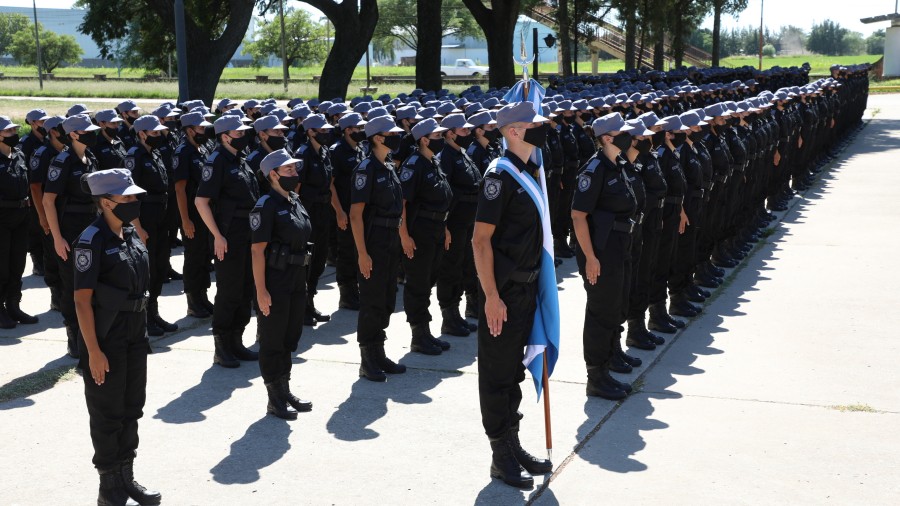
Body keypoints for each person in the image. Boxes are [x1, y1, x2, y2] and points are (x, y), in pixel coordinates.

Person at [472, 102, 553, 489]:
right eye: (534, 125)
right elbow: (480, 240)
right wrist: (490, 296)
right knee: (498, 373)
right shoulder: (499, 177)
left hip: (526, 289)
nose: (542, 129)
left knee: (514, 372)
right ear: (514, 132)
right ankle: (499, 455)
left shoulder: (531, 171)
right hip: (502, 293)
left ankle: (513, 443)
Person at [73, 168, 160, 506]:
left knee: (132, 408)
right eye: (126, 197)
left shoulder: (130, 233)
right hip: (106, 338)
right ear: (106, 202)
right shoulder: (91, 240)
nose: (134, 201)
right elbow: (81, 301)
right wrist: (93, 351)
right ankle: (109, 487)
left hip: (135, 335)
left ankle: (127, 477)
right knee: (107, 413)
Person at [570, 113, 638, 400]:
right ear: (607, 138)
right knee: (600, 311)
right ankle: (595, 376)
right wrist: (590, 257)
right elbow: (578, 215)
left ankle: (610, 359)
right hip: (600, 250)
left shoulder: (616, 165)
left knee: (615, 305)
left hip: (618, 245)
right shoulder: (594, 169)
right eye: (620, 132)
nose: (627, 135)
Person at [250, 149, 314, 420]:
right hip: (275, 282)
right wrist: (261, 291)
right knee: (273, 340)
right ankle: (274, 398)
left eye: (294, 169)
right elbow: (257, 252)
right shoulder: (266, 205)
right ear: (273, 175)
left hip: (297, 279)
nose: (294, 174)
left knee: (290, 338)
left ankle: (284, 388)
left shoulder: (294, 200)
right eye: (288, 170)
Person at [195, 115, 261, 368]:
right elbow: (201, 202)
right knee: (230, 290)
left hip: (248, 232)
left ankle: (236, 341)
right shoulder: (217, 161)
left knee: (245, 289)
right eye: (238, 132)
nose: (244, 135)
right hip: (229, 235)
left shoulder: (240, 159)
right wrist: (217, 236)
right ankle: (222, 347)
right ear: (224, 136)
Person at [349, 115, 407, 382]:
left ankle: (379, 351)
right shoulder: (366, 169)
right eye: (390, 133)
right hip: (374, 240)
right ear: (377, 138)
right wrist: (362, 253)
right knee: (372, 300)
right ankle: (366, 359)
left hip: (391, 239)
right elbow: (355, 215)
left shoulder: (388, 166)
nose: (396, 136)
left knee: (386, 298)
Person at [43, 114, 102, 358]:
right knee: (73, 286)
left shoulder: (91, 158)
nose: (92, 133)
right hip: (69, 232)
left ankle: (91, 334)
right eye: (86, 131)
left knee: (93, 284)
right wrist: (57, 238)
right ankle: (73, 336)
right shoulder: (63, 161)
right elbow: (48, 201)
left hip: (92, 228)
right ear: (74, 134)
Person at [398, 118, 453, 356]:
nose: (441, 140)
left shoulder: (433, 162)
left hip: (437, 228)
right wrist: (404, 236)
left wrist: (445, 227)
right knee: (418, 284)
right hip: (419, 231)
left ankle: (426, 332)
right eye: (437, 137)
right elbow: (401, 203)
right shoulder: (414, 164)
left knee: (429, 280)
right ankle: (418, 335)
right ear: (423, 139)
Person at [125, 115, 179, 336]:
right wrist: (137, 226)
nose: (159, 136)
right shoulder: (134, 156)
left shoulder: (154, 153)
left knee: (158, 269)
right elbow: (129, 196)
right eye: (155, 133)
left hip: (161, 218)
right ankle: (144, 318)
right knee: (147, 272)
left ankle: (154, 313)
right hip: (145, 219)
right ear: (142, 134)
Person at [436, 113, 481, 337]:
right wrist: (444, 226)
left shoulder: (461, 153)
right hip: (453, 223)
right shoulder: (445, 156)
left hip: (467, 222)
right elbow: (445, 195)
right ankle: (448, 316)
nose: (468, 134)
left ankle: (458, 315)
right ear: (450, 134)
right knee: (450, 269)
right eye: (463, 131)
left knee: (465, 266)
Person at [294, 114, 337, 326]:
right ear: (310, 132)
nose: (326, 134)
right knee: (306, 263)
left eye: (328, 131)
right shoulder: (302, 155)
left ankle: (309, 302)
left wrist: (338, 211)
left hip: (323, 212)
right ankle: (301, 308)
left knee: (319, 261)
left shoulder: (324, 152)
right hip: (308, 214)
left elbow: (330, 185)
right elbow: (295, 190)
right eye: (322, 131)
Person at [173, 111, 215, 319]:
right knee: (194, 257)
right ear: (189, 130)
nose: (204, 130)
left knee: (205, 256)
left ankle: (203, 296)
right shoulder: (183, 152)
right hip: (192, 214)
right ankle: (193, 300)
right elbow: (180, 189)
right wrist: (185, 220)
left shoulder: (203, 149)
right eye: (200, 128)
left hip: (205, 213)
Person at [0, 116, 38, 328]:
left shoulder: (19, 155)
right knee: (1, 267)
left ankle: (13, 305)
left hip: (21, 217)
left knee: (17, 265)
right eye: (8, 132)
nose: (13, 135)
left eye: (14, 131)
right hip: (2, 219)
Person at [329, 112, 367, 310]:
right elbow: (331, 184)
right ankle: (347, 294)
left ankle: (355, 290)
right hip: (345, 208)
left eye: (361, 128)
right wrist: (339, 212)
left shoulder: (360, 148)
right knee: (346, 252)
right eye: (356, 128)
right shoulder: (337, 151)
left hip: (359, 210)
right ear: (346, 130)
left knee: (357, 250)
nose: (359, 131)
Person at [29, 115, 67, 314]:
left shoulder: (68, 152)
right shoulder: (43, 153)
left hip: (66, 213)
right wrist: (43, 217)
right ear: (53, 132)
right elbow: (36, 187)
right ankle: (56, 297)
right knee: (52, 257)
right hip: (49, 212)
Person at [20, 109, 49, 277]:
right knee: (35, 227)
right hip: (32, 191)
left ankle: (44, 259)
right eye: (41, 122)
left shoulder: (47, 140)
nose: (44, 124)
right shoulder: (26, 143)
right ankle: (37, 262)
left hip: (46, 189)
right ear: (32, 124)